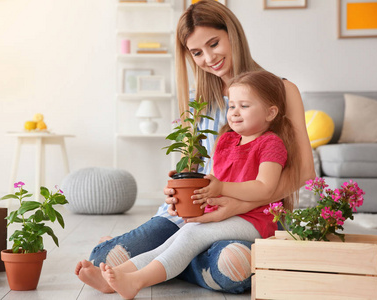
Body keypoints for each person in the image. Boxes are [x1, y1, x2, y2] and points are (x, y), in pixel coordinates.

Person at [75, 0, 314, 294]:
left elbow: (304, 171)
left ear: (233, 34)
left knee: (232, 270)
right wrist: (177, 190)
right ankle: (170, 263)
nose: (209, 57)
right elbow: (197, 169)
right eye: (197, 52)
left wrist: (237, 204)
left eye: (214, 43)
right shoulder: (199, 98)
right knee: (102, 258)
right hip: (198, 212)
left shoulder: (280, 90)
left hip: (248, 213)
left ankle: (164, 265)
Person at [97, 70, 301, 299]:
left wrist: (222, 188)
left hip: (256, 219)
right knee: (176, 237)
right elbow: (209, 182)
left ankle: (137, 280)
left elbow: (266, 188)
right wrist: (182, 193)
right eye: (231, 106)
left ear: (270, 113)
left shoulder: (271, 144)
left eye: (244, 106)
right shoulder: (225, 140)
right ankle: (117, 275)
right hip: (225, 216)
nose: (234, 113)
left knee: (190, 237)